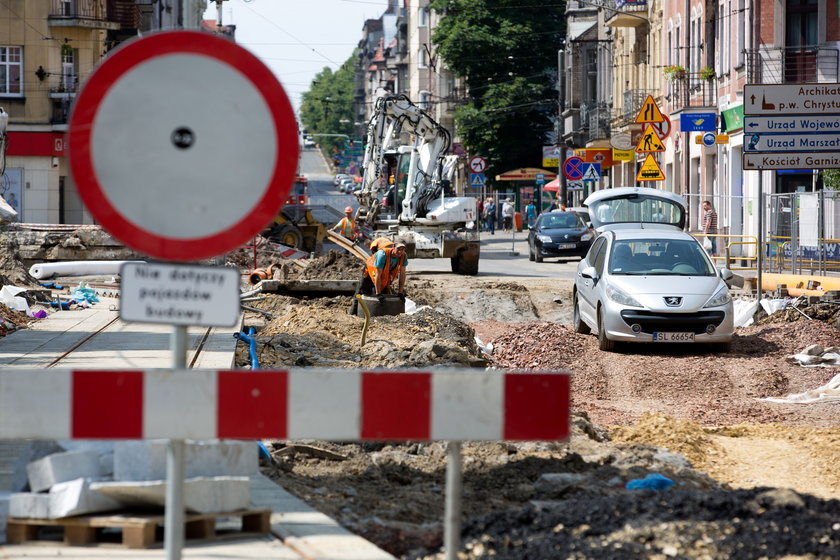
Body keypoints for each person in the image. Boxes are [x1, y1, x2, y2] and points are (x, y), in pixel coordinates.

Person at [349, 240, 408, 314]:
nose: (400, 252)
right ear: (393, 247)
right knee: (360, 295)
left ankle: (379, 316)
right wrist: (378, 293)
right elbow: (377, 274)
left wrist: (400, 292)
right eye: (398, 249)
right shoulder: (382, 255)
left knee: (384, 298)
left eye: (402, 249)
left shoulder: (403, 256)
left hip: (383, 276)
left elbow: (402, 274)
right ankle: (353, 315)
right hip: (369, 274)